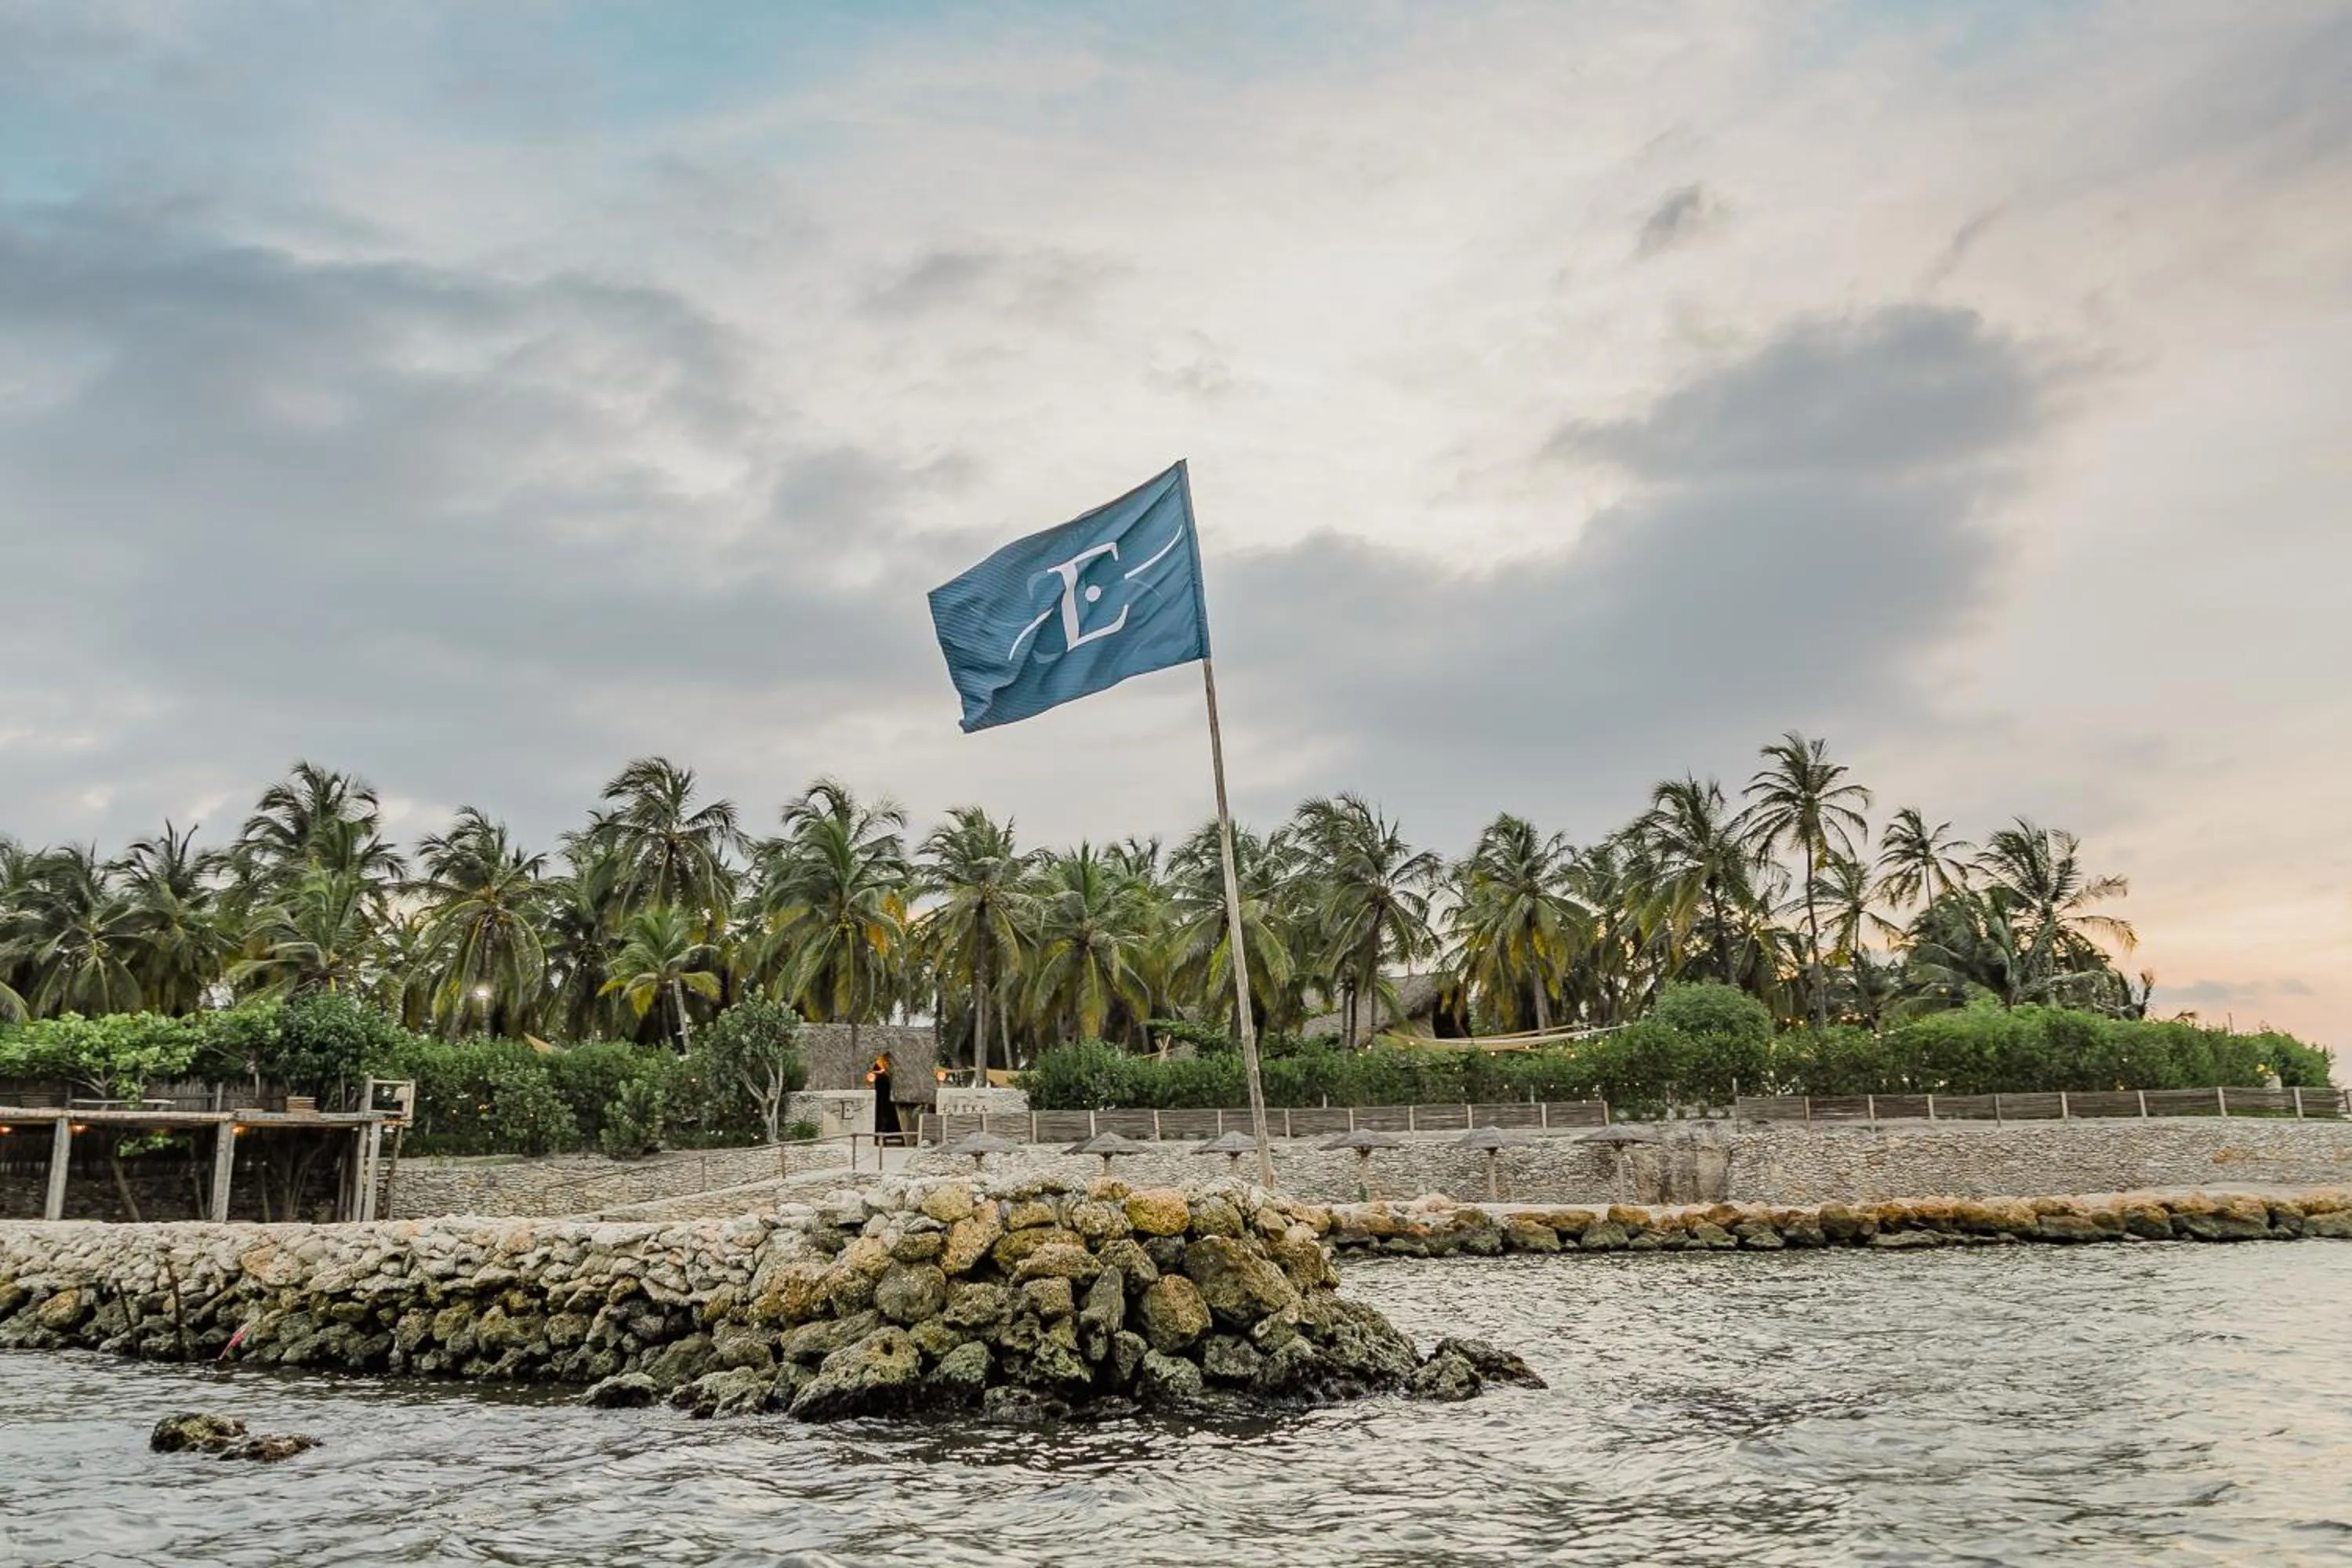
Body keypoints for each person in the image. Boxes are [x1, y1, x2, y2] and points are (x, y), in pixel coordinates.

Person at [869, 1054, 901, 1143]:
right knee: (882, 1111)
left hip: (889, 1091)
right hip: (881, 1091)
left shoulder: (889, 1061)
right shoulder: (879, 1061)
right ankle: (882, 1131)